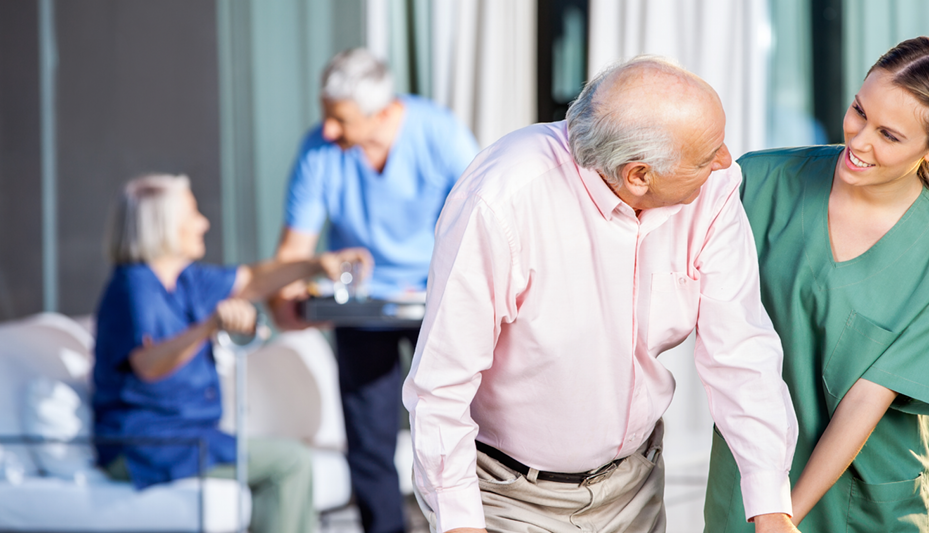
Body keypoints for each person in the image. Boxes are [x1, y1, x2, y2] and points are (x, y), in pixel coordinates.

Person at [403, 56, 800, 533]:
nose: (725, 161)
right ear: (638, 175)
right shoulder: (502, 199)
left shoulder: (713, 190)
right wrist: (460, 525)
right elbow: (440, 386)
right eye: (706, 155)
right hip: (507, 495)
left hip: (635, 485)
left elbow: (741, 354)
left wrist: (770, 508)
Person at [703, 36, 929, 533]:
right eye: (859, 111)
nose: (858, 141)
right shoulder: (759, 183)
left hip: (867, 502)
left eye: (889, 136)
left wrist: (781, 516)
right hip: (751, 485)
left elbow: (864, 403)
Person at [269, 48, 480, 533]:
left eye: (339, 120)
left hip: (438, 302)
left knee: (458, 427)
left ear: (382, 112)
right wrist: (289, 303)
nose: (328, 131)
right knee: (368, 443)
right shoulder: (319, 152)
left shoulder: (440, 135)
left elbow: (483, 223)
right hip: (364, 310)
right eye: (326, 118)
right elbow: (293, 251)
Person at [92, 174, 368, 533]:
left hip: (192, 438)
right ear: (162, 225)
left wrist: (316, 265)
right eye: (192, 214)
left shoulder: (188, 279)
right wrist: (208, 327)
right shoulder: (135, 287)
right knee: (290, 462)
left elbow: (253, 280)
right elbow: (149, 364)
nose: (203, 223)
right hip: (146, 445)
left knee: (290, 459)